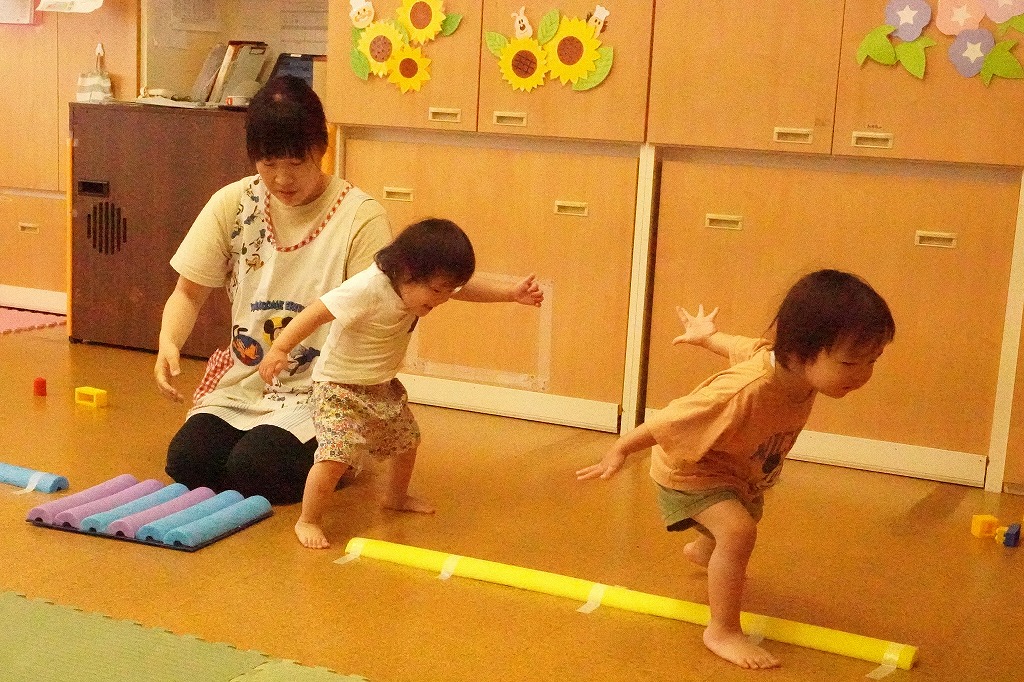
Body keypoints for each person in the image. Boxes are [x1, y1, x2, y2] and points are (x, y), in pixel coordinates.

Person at [576, 269, 895, 670]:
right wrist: (621, 449)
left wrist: (706, 335)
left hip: (740, 470)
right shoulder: (744, 390)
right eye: (850, 362)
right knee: (739, 531)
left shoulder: (783, 363)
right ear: (800, 352)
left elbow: (741, 346)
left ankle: (704, 551)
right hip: (692, 470)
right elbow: (671, 420)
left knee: (743, 519)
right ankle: (722, 630)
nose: (862, 375)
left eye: (872, 361)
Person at [154, 75, 394, 504]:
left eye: (296, 163)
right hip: (248, 379)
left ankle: (343, 455)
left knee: (256, 469)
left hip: (326, 389)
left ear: (321, 147)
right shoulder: (233, 203)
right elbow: (188, 292)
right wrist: (168, 342)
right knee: (189, 462)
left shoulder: (361, 217)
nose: (282, 178)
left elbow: (374, 317)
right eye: (268, 164)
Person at [258, 218, 544, 549]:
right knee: (336, 456)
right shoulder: (368, 288)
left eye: (446, 291)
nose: (442, 300)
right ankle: (308, 519)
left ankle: (395, 496)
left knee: (407, 442)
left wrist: (510, 293)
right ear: (406, 271)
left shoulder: (422, 285)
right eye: (436, 291)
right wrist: (280, 348)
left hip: (381, 385)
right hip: (338, 388)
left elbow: (465, 289)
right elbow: (317, 312)